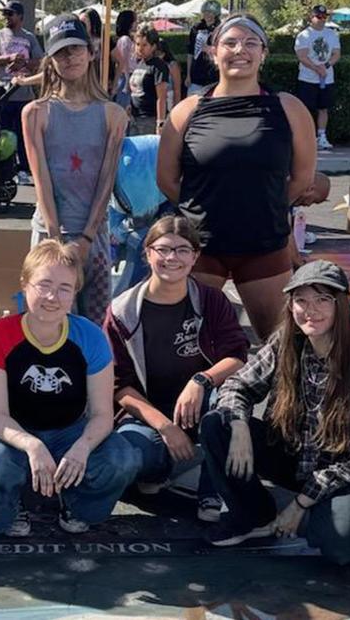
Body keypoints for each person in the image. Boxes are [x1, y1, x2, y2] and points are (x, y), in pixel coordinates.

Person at [199, 261, 350, 563]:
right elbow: (237, 385)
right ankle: (253, 516)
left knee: (337, 545)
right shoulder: (286, 342)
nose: (310, 310)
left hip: (338, 471)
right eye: (301, 300)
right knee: (215, 423)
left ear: (343, 304)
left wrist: (300, 504)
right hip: (290, 455)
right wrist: (238, 426)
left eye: (322, 299)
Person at [157, 15, 322, 339]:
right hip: (200, 247)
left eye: (250, 43)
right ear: (213, 51)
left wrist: (269, 205)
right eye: (230, 42)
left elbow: (303, 177)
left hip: (264, 245)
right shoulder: (186, 112)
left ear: (264, 53)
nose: (240, 50)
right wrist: (202, 208)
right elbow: (166, 180)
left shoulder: (288, 108)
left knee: (282, 350)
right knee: (186, 349)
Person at [0, 241, 141, 537]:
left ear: (74, 293)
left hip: (70, 429)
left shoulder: (90, 337)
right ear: (24, 284)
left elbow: (101, 413)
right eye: (43, 284)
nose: (52, 296)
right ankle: (13, 501)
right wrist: (31, 445)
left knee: (124, 459)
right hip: (15, 430)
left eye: (64, 288)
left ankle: (75, 501)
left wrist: (82, 447)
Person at [106, 215, 248, 518]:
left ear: (195, 256)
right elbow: (119, 385)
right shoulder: (122, 311)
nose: (172, 258)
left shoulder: (211, 301)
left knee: (224, 408)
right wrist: (165, 426)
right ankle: (163, 466)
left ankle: (212, 494)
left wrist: (201, 380)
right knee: (129, 458)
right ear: (147, 253)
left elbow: (237, 355)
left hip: (201, 404)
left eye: (183, 250)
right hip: (147, 416)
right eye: (163, 249)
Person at [23, 15, 127, 323]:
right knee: (46, 322)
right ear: (50, 60)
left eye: (75, 49)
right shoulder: (36, 113)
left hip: (94, 236)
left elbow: (106, 179)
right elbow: (40, 178)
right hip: (48, 234)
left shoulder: (114, 114)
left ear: (91, 51)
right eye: (60, 52)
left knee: (95, 327)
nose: (70, 58)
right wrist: (57, 240)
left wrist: (87, 237)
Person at [0, 1, 43, 186]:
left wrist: (23, 63)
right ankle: (5, 171)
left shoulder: (29, 38)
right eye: (6, 14)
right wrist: (7, 58)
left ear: (20, 17)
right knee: (5, 135)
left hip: (24, 95)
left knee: (24, 134)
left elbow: (41, 61)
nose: (7, 17)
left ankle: (24, 169)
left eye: (11, 14)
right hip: (4, 94)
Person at [294, 5, 341, 151]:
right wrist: (316, 68)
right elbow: (302, 56)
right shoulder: (304, 35)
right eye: (318, 17)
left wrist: (325, 66)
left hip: (326, 78)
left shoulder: (331, 34)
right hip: (308, 78)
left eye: (324, 17)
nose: (321, 20)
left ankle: (322, 136)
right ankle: (306, 137)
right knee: (306, 109)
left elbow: (336, 54)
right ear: (311, 17)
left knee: (323, 108)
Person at [127, 27, 173, 134]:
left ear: (153, 47)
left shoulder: (158, 66)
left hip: (149, 118)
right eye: (138, 44)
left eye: (144, 45)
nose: (140, 49)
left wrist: (160, 122)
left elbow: (161, 97)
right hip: (135, 117)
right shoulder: (140, 64)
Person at [187, 1, 222, 91]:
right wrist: (188, 75)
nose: (207, 15)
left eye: (210, 12)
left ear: (216, 14)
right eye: (205, 12)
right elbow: (190, 52)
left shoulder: (221, 28)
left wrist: (211, 49)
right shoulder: (196, 28)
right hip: (196, 73)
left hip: (213, 74)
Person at [112, 10, 138, 109]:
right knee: (124, 106)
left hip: (128, 76)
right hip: (125, 77)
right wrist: (127, 82)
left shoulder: (129, 39)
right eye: (135, 20)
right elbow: (123, 62)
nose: (137, 23)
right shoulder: (124, 40)